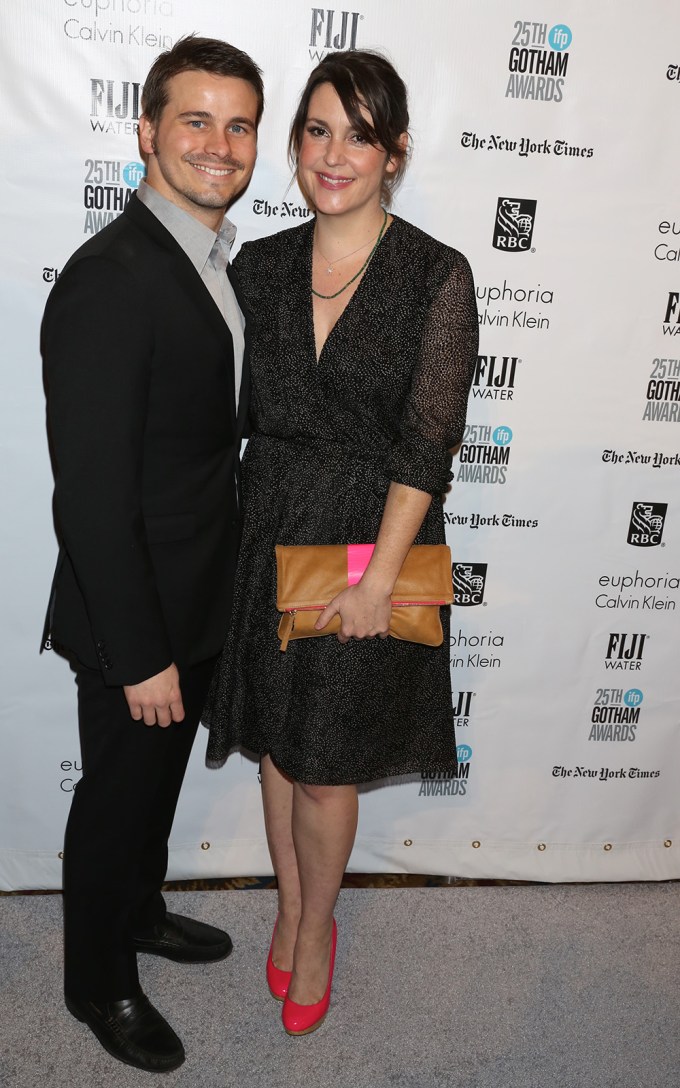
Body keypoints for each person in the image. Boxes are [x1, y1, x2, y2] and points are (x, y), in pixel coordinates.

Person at [203, 49, 478, 1036]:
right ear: (296, 142)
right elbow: (221, 411)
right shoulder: (259, 266)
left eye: (358, 133)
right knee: (280, 744)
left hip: (368, 543)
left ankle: (315, 925)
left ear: (393, 152)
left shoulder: (433, 275)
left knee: (324, 762)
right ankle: (288, 900)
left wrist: (383, 579)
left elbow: (426, 439)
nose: (333, 153)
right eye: (317, 129)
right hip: (268, 522)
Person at [41, 35, 263, 1072]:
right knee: (116, 793)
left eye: (238, 124)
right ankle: (96, 979)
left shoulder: (209, 260)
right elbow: (88, 498)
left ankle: (137, 910)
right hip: (132, 612)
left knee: (156, 786)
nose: (219, 145)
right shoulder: (112, 277)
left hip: (198, 592)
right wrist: (138, 652)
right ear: (146, 132)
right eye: (194, 120)